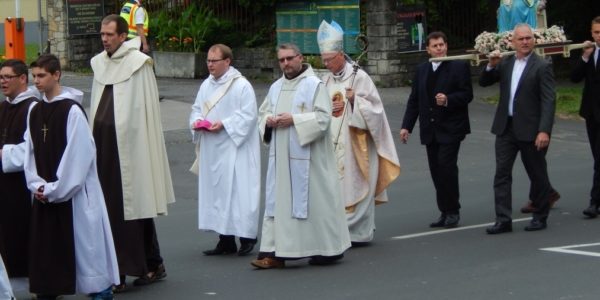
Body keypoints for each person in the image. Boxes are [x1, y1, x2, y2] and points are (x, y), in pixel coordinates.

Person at [90, 14, 175, 291]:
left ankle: (130, 269)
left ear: (123, 35)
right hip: (103, 146)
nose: (105, 39)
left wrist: (135, 143)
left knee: (133, 207)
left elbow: (144, 111)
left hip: (131, 147)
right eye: (102, 34)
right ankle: (149, 262)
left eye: (109, 35)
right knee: (114, 209)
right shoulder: (99, 64)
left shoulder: (139, 64)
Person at [24, 54, 118, 300]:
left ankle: (99, 289)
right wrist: (36, 184)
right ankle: (50, 286)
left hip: (72, 193)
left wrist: (56, 189)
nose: (37, 81)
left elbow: (78, 156)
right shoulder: (35, 110)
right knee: (49, 244)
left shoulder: (72, 111)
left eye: (42, 75)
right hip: (46, 192)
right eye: (34, 76)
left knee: (86, 245)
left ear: (57, 75)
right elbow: (30, 152)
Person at [251, 43, 351, 269]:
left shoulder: (314, 85)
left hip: (310, 159)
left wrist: (294, 120)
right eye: (281, 60)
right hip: (281, 161)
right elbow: (263, 113)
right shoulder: (276, 87)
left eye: (289, 58)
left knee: (315, 203)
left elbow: (324, 119)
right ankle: (274, 253)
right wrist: (268, 121)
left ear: (300, 58)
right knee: (279, 203)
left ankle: (325, 250)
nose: (286, 63)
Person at [317, 20, 400, 243]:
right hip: (333, 143)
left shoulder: (359, 77)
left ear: (340, 56)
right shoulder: (325, 81)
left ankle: (359, 233)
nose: (326, 65)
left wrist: (354, 102)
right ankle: (338, 231)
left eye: (329, 60)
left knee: (356, 183)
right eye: (323, 60)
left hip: (356, 141)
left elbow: (376, 110)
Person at [480, 24, 556, 234]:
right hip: (506, 127)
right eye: (520, 39)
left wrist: (544, 130)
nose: (525, 42)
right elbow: (484, 82)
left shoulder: (542, 65)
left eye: (528, 38)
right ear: (512, 42)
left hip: (531, 129)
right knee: (502, 174)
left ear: (533, 40)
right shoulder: (506, 62)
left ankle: (540, 216)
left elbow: (549, 100)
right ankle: (503, 219)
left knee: (537, 173)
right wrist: (490, 66)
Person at [189, 44, 261, 256]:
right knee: (218, 194)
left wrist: (225, 124)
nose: (210, 64)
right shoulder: (206, 85)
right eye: (208, 61)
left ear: (227, 62)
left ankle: (247, 237)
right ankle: (225, 239)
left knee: (240, 193)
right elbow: (196, 109)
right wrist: (197, 121)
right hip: (213, 149)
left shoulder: (241, 86)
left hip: (235, 149)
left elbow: (249, 116)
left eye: (214, 61)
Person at [400, 31, 473, 229]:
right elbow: (414, 100)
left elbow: (467, 94)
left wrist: (448, 99)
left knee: (447, 167)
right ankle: (444, 210)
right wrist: (406, 126)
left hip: (451, 127)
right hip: (430, 128)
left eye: (442, 44)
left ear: (446, 46)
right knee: (436, 170)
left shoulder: (458, 66)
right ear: (428, 50)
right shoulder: (422, 69)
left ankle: (453, 211)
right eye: (435, 46)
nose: (439, 48)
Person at [0, 59, 39, 279]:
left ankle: (33, 279)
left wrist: (4, 154)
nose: (3, 81)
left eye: (8, 77)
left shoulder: (33, 107)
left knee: (24, 231)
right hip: (4, 182)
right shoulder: (3, 106)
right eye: (1, 77)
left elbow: (34, 147)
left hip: (23, 184)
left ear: (23, 78)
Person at [571, 16, 600, 218]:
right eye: (597, 32)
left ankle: (594, 202)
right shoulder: (590, 53)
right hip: (592, 113)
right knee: (597, 157)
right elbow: (574, 78)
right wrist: (584, 57)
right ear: (591, 33)